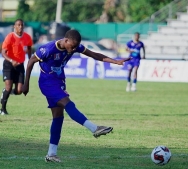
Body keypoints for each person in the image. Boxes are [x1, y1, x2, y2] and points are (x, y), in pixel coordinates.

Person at [22, 30, 130, 163]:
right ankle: (94, 128)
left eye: (75, 47)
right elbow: (31, 62)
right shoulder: (48, 49)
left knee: (58, 117)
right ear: (65, 40)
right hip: (47, 82)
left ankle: (51, 154)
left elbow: (94, 54)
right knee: (68, 103)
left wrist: (116, 62)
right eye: (71, 46)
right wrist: (26, 84)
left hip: (59, 81)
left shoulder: (74, 46)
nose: (73, 50)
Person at [1, 19, 32, 115]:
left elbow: (30, 47)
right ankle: (2, 109)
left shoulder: (27, 37)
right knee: (8, 87)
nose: (20, 27)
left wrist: (30, 59)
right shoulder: (10, 37)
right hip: (8, 64)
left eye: (22, 25)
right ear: (14, 26)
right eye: (18, 25)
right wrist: (11, 60)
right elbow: (3, 52)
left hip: (20, 65)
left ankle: (6, 92)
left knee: (19, 90)